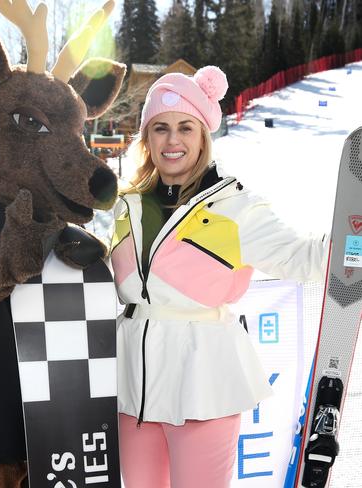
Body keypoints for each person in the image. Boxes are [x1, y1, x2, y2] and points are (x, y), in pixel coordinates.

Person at [110, 66, 327, 488]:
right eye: (160, 128)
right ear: (146, 138)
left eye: (185, 127)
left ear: (203, 135)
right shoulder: (128, 206)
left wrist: (352, 237)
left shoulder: (236, 208)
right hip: (133, 384)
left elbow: (305, 258)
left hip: (203, 381)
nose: (172, 141)